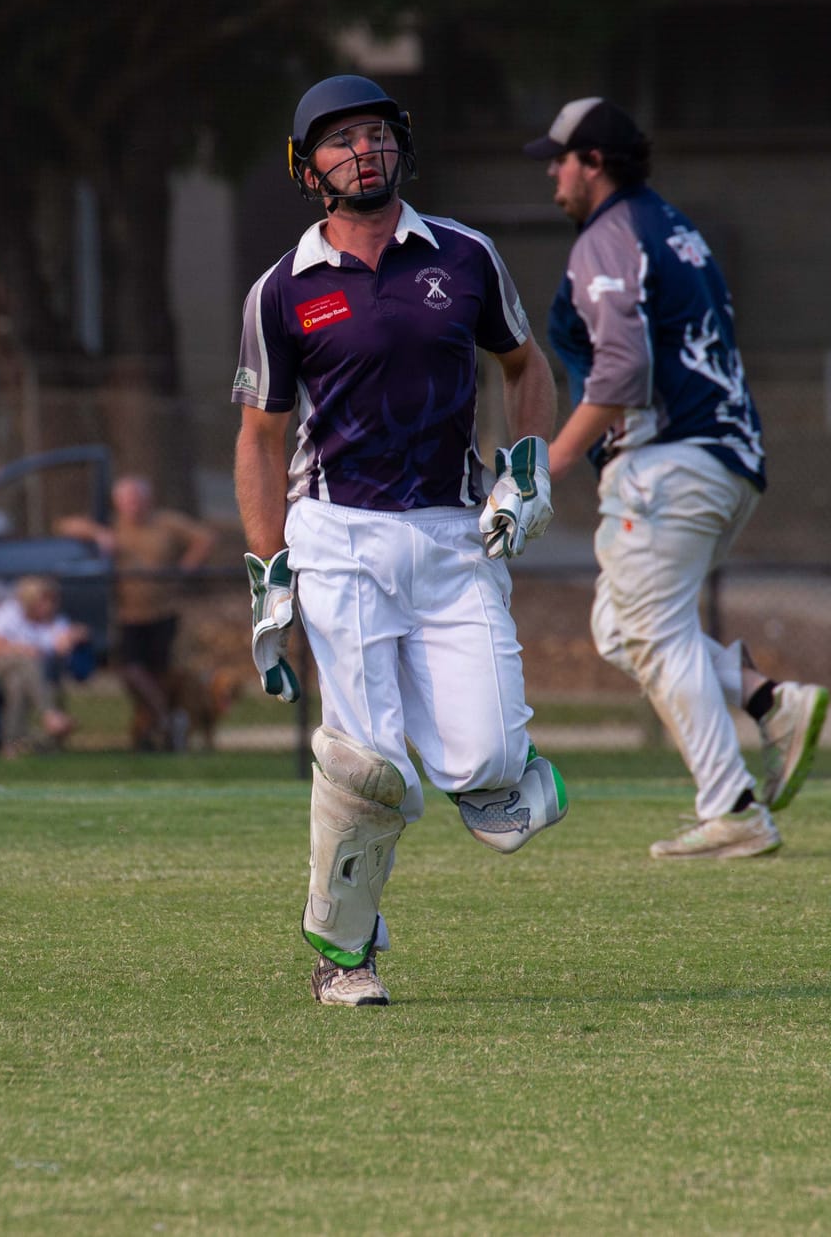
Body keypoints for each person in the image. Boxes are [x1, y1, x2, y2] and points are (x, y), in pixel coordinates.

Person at [233, 73, 568, 1007]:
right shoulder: (281, 291)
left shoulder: (464, 255)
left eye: (376, 133)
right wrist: (268, 572)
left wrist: (526, 470)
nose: (363, 150)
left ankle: (493, 782)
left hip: (454, 536)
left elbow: (524, 364)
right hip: (337, 536)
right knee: (369, 768)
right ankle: (346, 957)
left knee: (492, 774)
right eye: (340, 140)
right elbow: (260, 438)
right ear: (310, 169)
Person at [524, 96, 830, 862]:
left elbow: (624, 369)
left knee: (653, 633)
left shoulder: (608, 235)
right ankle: (768, 700)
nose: (552, 174)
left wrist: (547, 464)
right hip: (726, 459)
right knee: (618, 629)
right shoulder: (677, 228)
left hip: (668, 462)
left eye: (560, 158)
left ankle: (733, 807)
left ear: (594, 162)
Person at [57, 475, 217, 750]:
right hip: (129, 617)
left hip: (164, 611)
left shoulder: (165, 522)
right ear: (117, 503)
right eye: (126, 501)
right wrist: (99, 535)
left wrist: (187, 567)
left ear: (148, 500)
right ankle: (166, 719)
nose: (133, 506)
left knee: (161, 674)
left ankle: (154, 733)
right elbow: (64, 525)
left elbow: (204, 537)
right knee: (131, 671)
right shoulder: (111, 525)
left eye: (137, 499)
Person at [0, 575, 92, 757]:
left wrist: (75, 635)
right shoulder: (7, 613)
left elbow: (62, 648)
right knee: (26, 660)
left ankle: (11, 746)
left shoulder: (57, 622)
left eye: (53, 601)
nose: (50, 606)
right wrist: (23, 649)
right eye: (44, 601)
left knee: (17, 682)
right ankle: (49, 714)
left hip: (28, 677)